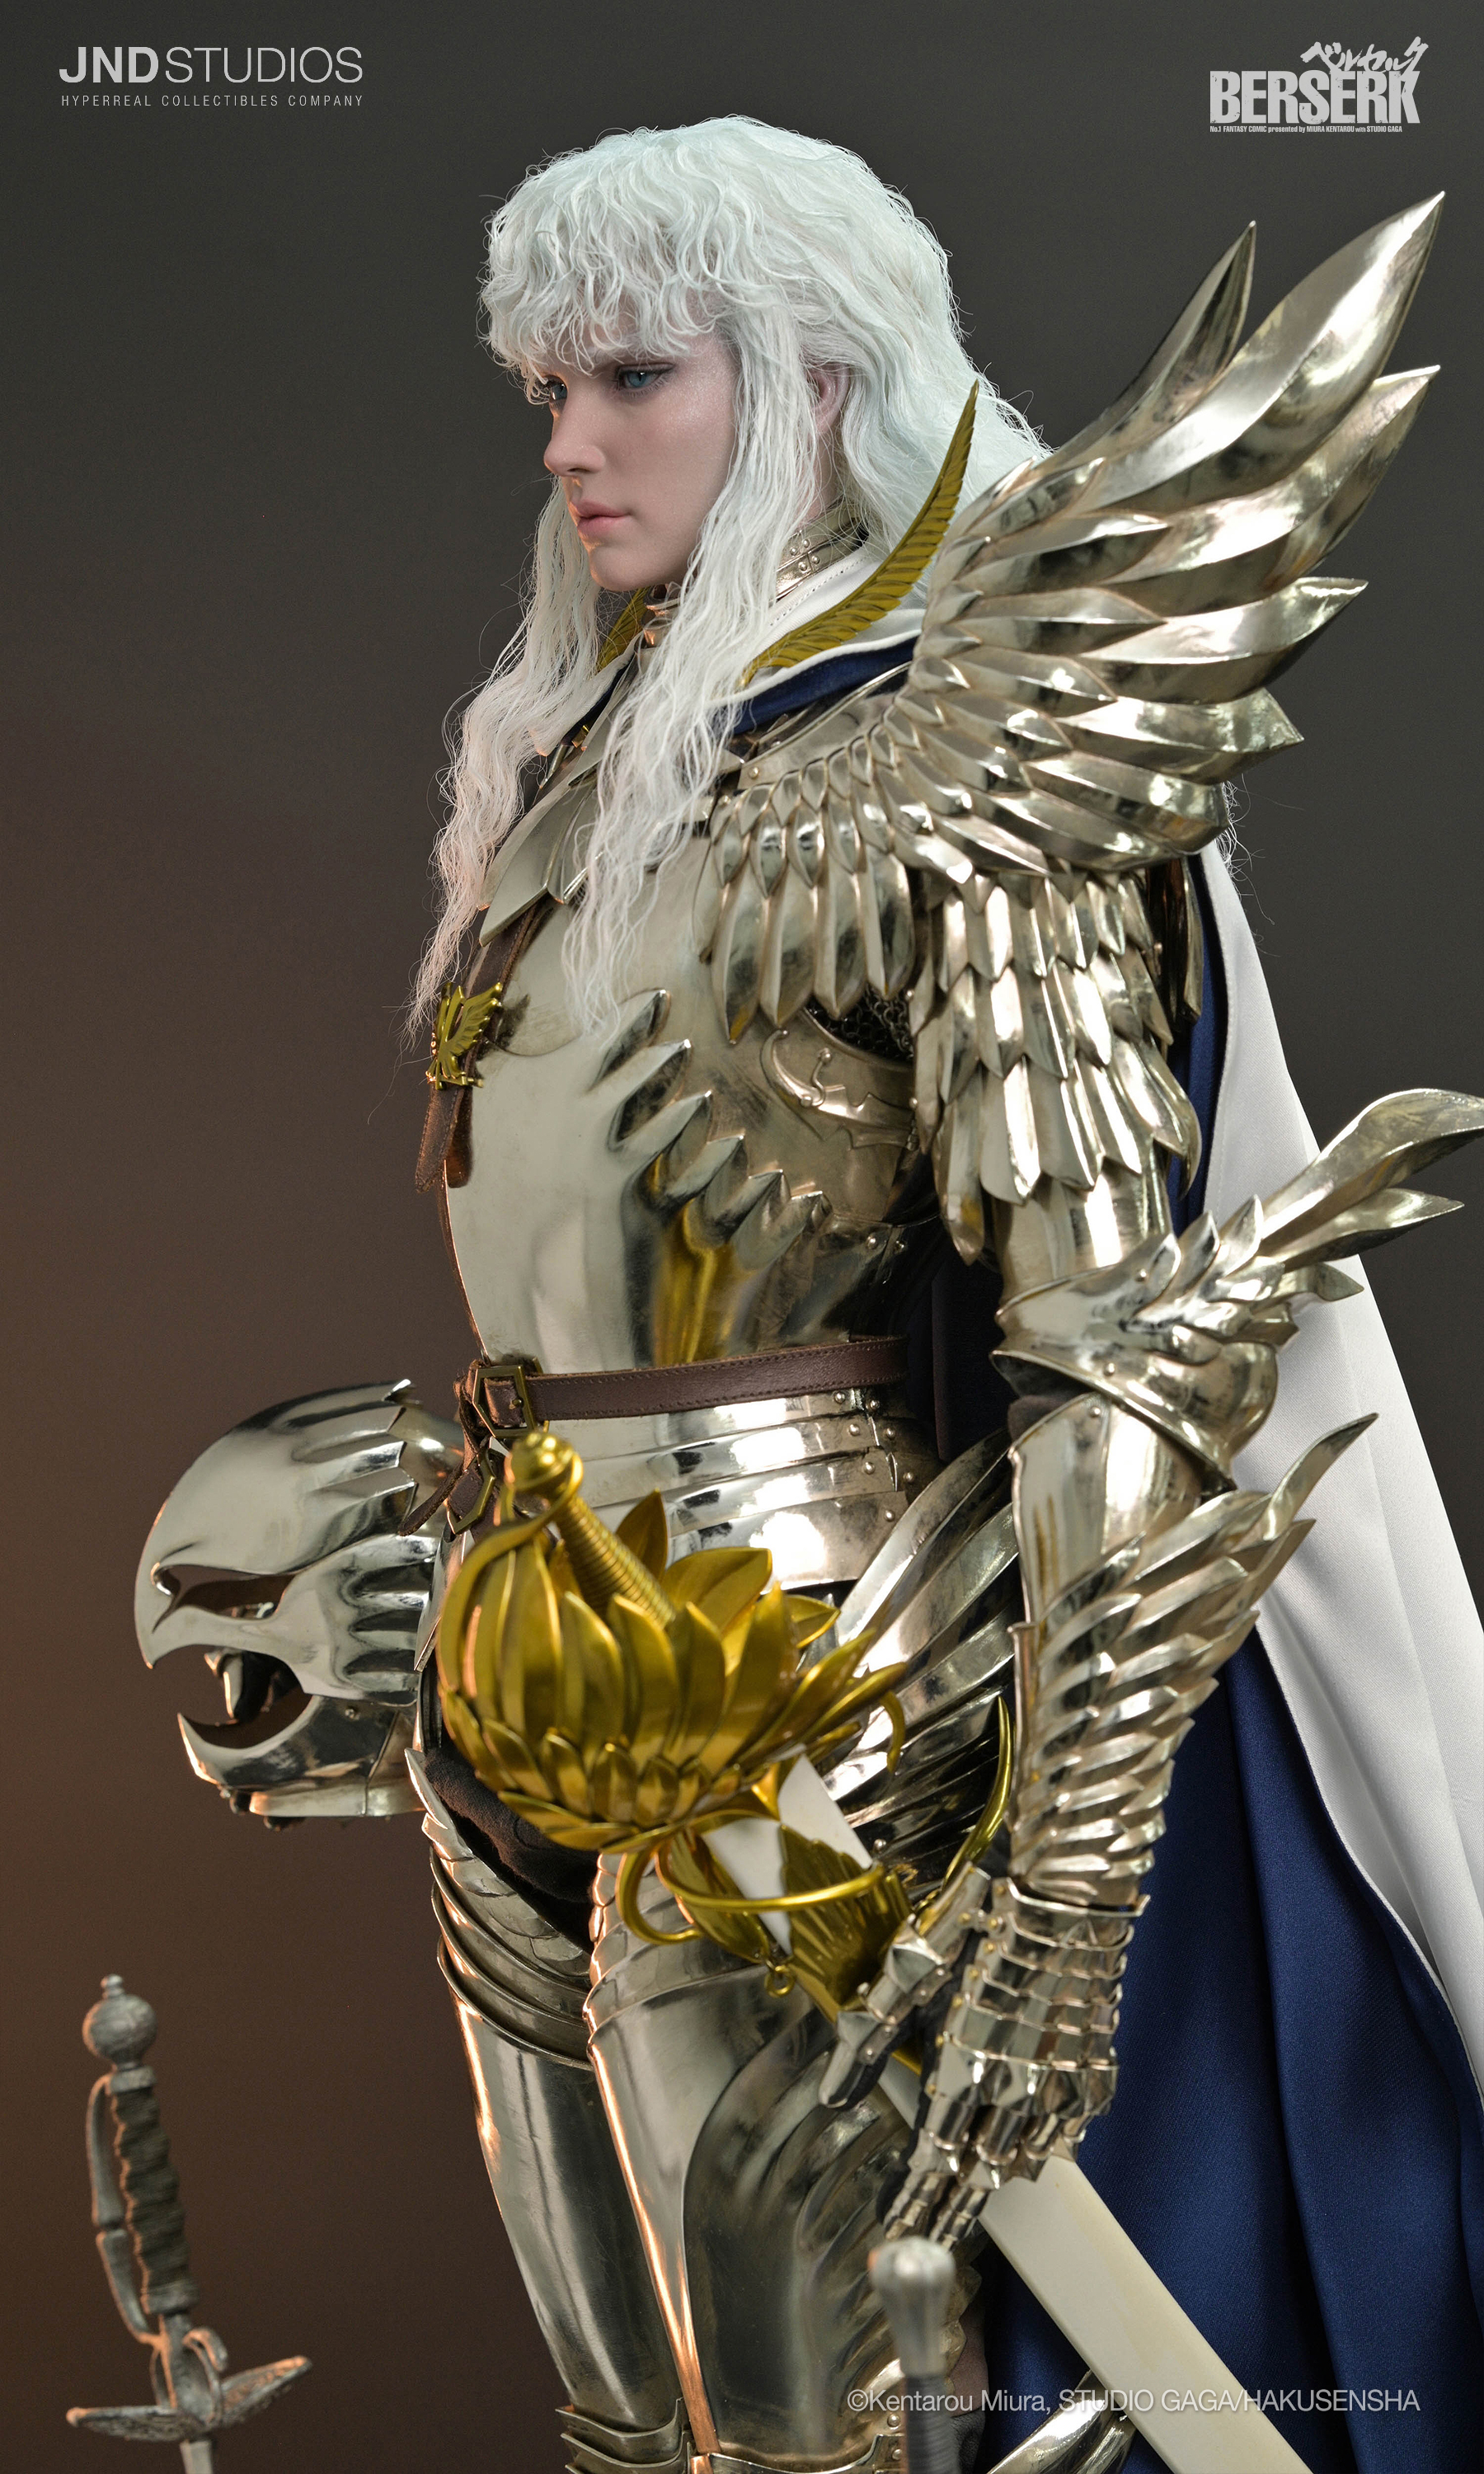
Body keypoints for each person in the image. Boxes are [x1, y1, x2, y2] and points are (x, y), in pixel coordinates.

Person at [139, 120, 1482, 2474]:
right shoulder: (594, 776)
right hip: (531, 1657)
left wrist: (1061, 1906)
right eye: (548, 390)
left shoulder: (958, 775)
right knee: (626, 2405)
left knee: (826, 2418)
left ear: (815, 381)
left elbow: (1123, 1363)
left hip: (822, 1696)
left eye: (631, 378)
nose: (568, 445)